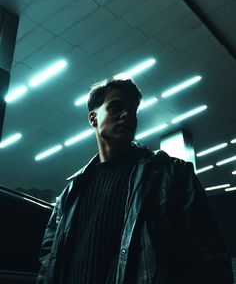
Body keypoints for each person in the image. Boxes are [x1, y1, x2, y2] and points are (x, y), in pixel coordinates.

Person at [37, 79, 233, 284]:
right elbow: (48, 265)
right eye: (116, 107)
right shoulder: (70, 195)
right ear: (93, 118)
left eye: (132, 109)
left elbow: (209, 259)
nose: (127, 114)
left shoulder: (171, 174)